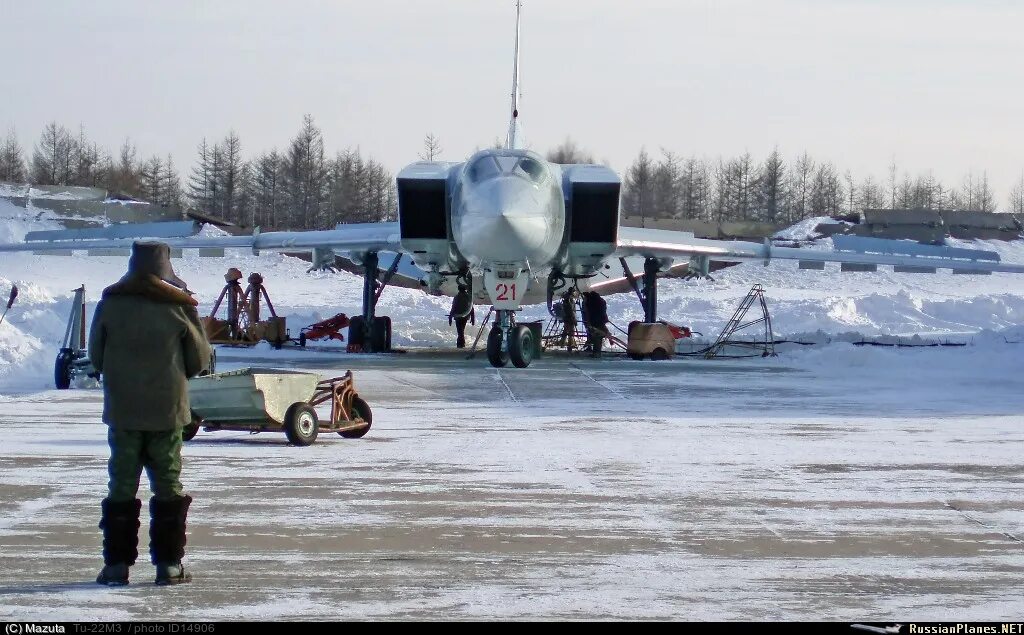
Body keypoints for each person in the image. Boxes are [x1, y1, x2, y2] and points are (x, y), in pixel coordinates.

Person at [89, 241, 212, 586]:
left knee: (122, 485)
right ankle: (169, 566)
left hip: (124, 411)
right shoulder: (180, 307)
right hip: (167, 412)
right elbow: (199, 360)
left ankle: (116, 567)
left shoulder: (110, 304)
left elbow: (96, 357)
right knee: (168, 485)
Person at [581, 291, 609, 358]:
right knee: (598, 336)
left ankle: (596, 353)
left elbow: (589, 313)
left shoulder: (591, 302)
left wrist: (589, 322)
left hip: (595, 322)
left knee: (597, 337)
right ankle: (596, 352)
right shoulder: (600, 301)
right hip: (601, 320)